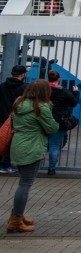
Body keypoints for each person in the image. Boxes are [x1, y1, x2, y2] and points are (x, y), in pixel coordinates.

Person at [6, 80, 58, 233]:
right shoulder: (41, 108)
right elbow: (52, 128)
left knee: (23, 182)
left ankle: (17, 215)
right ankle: (15, 220)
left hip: (18, 145)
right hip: (32, 147)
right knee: (25, 184)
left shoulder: (19, 103)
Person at [45, 70, 79, 176]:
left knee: (40, 143)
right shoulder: (64, 91)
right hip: (59, 120)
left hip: (44, 119)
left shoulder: (43, 90)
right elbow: (73, 103)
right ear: (58, 79)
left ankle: (34, 166)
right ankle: (51, 169)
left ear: (48, 78)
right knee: (54, 145)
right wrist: (76, 92)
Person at [0, 64, 27, 174]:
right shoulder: (24, 88)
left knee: (2, 140)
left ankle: (2, 165)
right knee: (13, 142)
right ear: (23, 74)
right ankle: (6, 165)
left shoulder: (2, 86)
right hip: (16, 118)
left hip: (2, 117)